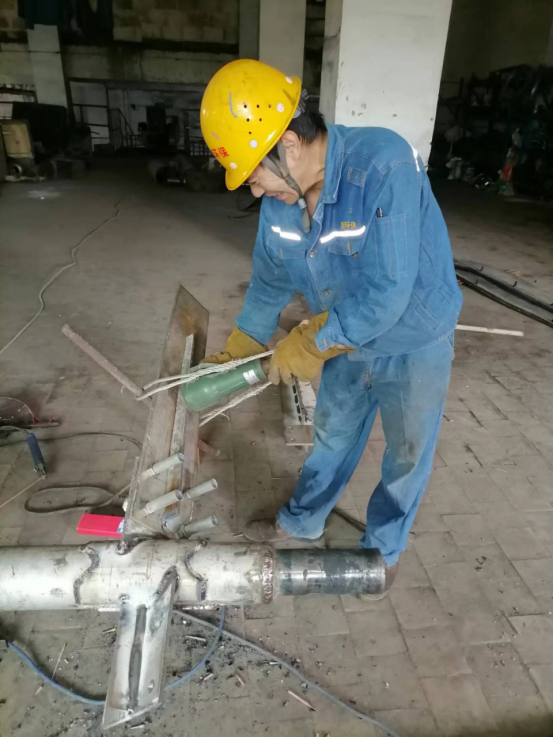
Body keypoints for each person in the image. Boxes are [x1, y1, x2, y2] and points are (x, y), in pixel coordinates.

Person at [201, 59, 462, 598]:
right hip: (343, 335)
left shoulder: (385, 164)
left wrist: (312, 343)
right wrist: (241, 345)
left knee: (407, 454)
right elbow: (270, 282)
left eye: (255, 174)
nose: (255, 191)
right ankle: (303, 522)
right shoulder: (281, 205)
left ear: (289, 144)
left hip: (413, 336)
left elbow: (389, 293)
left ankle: (384, 549)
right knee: (332, 436)